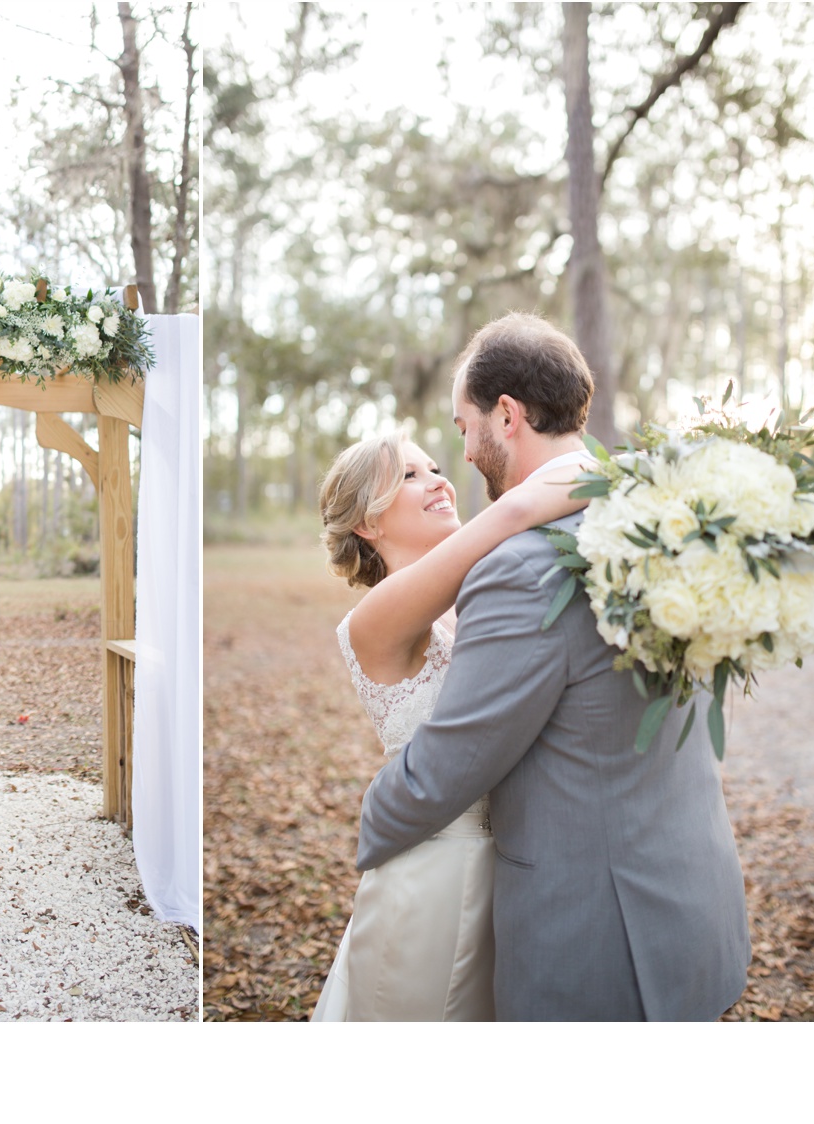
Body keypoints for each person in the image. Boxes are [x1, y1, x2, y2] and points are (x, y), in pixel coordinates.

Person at [353, 312, 749, 1021]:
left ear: (506, 415)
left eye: (464, 426)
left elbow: (447, 767)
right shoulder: (661, 521)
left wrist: (371, 831)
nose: (464, 453)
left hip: (599, 941)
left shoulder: (523, 568)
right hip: (697, 902)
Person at [309, 430, 585, 1020]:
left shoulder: (488, 593)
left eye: (433, 467)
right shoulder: (373, 619)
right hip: (434, 874)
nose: (438, 480)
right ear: (367, 524)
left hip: (519, 867)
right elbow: (512, 512)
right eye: (409, 476)